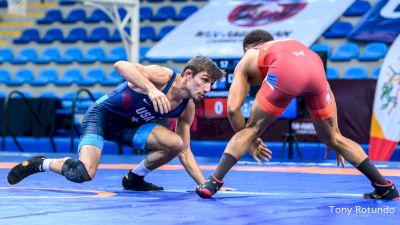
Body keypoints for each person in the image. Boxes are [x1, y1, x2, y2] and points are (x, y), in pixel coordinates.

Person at [195, 29, 399, 200]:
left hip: (286, 72)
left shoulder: (250, 55)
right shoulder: (295, 45)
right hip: (314, 66)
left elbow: (232, 109)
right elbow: (327, 89)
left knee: (251, 129)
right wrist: (333, 136)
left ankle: (213, 182)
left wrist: (252, 139)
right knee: (336, 138)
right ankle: (384, 187)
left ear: (249, 48)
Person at [7, 56, 226, 191]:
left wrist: (205, 183)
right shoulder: (165, 76)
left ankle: (135, 179)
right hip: (101, 117)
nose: (207, 89)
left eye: (211, 84)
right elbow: (121, 65)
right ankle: (40, 163)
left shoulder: (187, 106)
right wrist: (151, 89)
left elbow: (185, 150)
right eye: (204, 80)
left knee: (176, 143)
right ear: (188, 74)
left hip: (128, 128)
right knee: (82, 173)